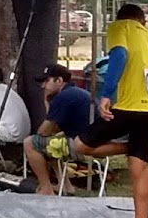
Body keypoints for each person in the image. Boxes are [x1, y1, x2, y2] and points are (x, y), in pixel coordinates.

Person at [74, 4, 148, 218]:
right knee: (140, 165)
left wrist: (107, 93)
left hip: (132, 104)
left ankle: (128, 148)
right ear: (144, 21)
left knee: (81, 145)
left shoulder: (121, 27)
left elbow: (119, 55)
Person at [23, 64, 95, 195]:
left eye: (46, 81)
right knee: (52, 144)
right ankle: (66, 186)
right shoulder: (75, 92)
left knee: (30, 143)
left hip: (84, 146)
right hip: (92, 141)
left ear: (59, 81)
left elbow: (43, 131)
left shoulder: (63, 97)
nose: (43, 86)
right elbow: (54, 130)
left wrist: (46, 102)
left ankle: (46, 188)